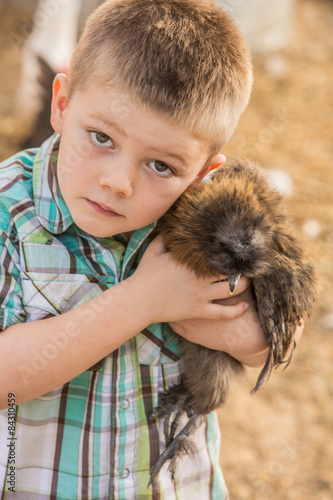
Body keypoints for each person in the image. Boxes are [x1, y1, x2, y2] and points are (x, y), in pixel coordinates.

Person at [0, 0, 302, 498]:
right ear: (61, 104)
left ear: (203, 174)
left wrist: (247, 335)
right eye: (100, 138)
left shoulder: (209, 220)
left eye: (160, 166)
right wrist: (145, 300)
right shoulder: (11, 216)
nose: (118, 183)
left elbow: (279, 335)